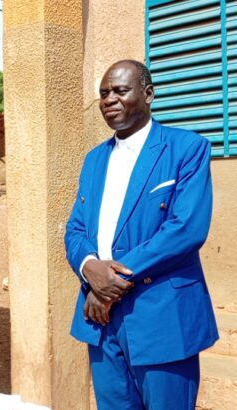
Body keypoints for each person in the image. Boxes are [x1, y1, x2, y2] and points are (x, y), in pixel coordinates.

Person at [65, 60, 219, 409]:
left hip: (161, 314)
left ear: (148, 94)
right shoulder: (94, 160)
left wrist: (108, 284)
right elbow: (75, 228)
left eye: (120, 91)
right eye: (104, 94)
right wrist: (90, 267)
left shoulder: (186, 148)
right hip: (102, 323)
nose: (109, 100)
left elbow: (185, 229)